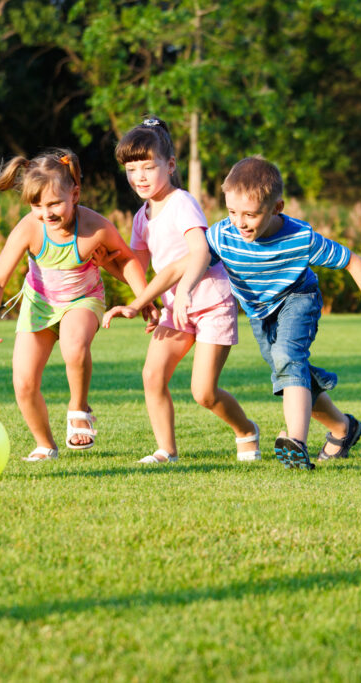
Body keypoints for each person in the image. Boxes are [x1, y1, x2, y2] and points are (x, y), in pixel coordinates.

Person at [105, 156, 361, 470]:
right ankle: (343, 428)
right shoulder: (224, 234)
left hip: (298, 298)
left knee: (288, 357)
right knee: (291, 372)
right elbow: (181, 265)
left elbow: (353, 260)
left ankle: (296, 444)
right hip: (260, 313)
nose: (241, 222)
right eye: (232, 212)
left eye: (251, 214)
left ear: (277, 208)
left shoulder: (301, 239)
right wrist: (139, 303)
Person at [0, 149, 153, 462]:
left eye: (55, 203)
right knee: (24, 383)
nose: (47, 213)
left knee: (73, 346)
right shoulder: (30, 228)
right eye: (37, 205)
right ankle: (45, 444)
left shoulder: (94, 227)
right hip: (40, 306)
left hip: (83, 301)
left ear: (75, 194)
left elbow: (126, 260)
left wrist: (144, 299)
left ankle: (78, 407)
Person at [112, 117, 259, 464]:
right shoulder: (140, 217)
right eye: (132, 170)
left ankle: (246, 430)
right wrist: (141, 303)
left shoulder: (182, 203)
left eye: (149, 167)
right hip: (175, 307)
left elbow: (200, 251)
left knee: (203, 392)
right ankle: (166, 450)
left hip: (209, 301)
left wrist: (187, 290)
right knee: (152, 374)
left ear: (171, 165)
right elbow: (136, 265)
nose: (141, 177)